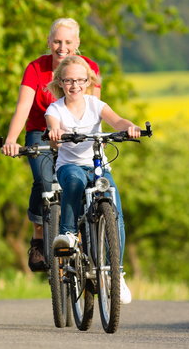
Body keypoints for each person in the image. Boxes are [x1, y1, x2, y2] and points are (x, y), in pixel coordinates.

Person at [1, 17, 100, 272]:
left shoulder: (89, 68)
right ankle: (38, 236)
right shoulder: (36, 68)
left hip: (76, 134)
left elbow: (94, 109)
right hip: (40, 132)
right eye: (57, 41)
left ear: (77, 43)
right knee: (44, 181)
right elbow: (23, 107)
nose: (62, 47)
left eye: (68, 41)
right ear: (48, 42)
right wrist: (11, 139)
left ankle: (83, 231)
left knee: (86, 181)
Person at [45, 55, 139, 304]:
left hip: (97, 166)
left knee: (113, 205)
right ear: (60, 83)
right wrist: (57, 133)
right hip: (70, 166)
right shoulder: (55, 109)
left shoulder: (96, 104)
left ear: (88, 81)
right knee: (74, 182)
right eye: (68, 80)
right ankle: (67, 234)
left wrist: (129, 127)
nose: (74, 85)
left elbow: (117, 120)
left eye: (79, 80)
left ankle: (115, 274)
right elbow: (53, 131)